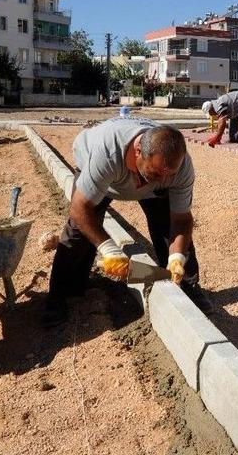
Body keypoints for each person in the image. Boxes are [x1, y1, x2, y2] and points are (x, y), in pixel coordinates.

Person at [42, 117, 213, 327]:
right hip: (105, 176)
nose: (162, 180)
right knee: (79, 232)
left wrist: (176, 256)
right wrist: (109, 249)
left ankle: (187, 285)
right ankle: (61, 295)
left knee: (167, 225)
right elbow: (79, 210)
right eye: (156, 173)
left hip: (138, 176)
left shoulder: (179, 167)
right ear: (138, 151)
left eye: (169, 175)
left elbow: (181, 219)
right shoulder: (108, 152)